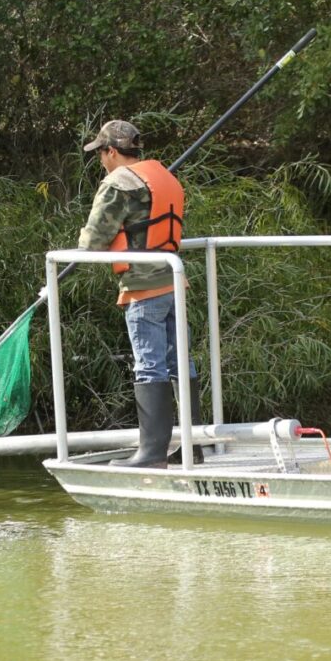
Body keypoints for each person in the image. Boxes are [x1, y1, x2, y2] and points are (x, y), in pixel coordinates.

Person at [75, 119, 198, 468]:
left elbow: (94, 239)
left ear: (111, 151)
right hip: (174, 283)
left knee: (149, 367)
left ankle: (151, 454)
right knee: (180, 363)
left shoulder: (118, 184)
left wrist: (83, 246)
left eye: (100, 153)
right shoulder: (163, 175)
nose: (100, 160)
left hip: (143, 290)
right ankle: (196, 446)